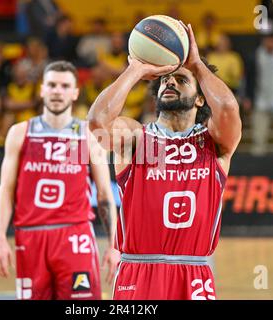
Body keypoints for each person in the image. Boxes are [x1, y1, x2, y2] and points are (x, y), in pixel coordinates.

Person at [88, 22, 241, 300]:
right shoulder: (135, 137)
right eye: (165, 80)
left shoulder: (214, 142)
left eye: (181, 79)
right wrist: (135, 70)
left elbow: (229, 108)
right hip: (138, 271)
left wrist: (196, 65)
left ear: (199, 100)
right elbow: (97, 122)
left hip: (194, 274)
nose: (169, 82)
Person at [0, 61, 120, 300]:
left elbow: (104, 194)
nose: (57, 91)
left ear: (75, 93)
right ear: (42, 90)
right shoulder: (20, 133)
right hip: (30, 237)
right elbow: (6, 190)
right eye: (51, 85)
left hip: (74, 236)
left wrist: (114, 244)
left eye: (64, 86)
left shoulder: (88, 136)